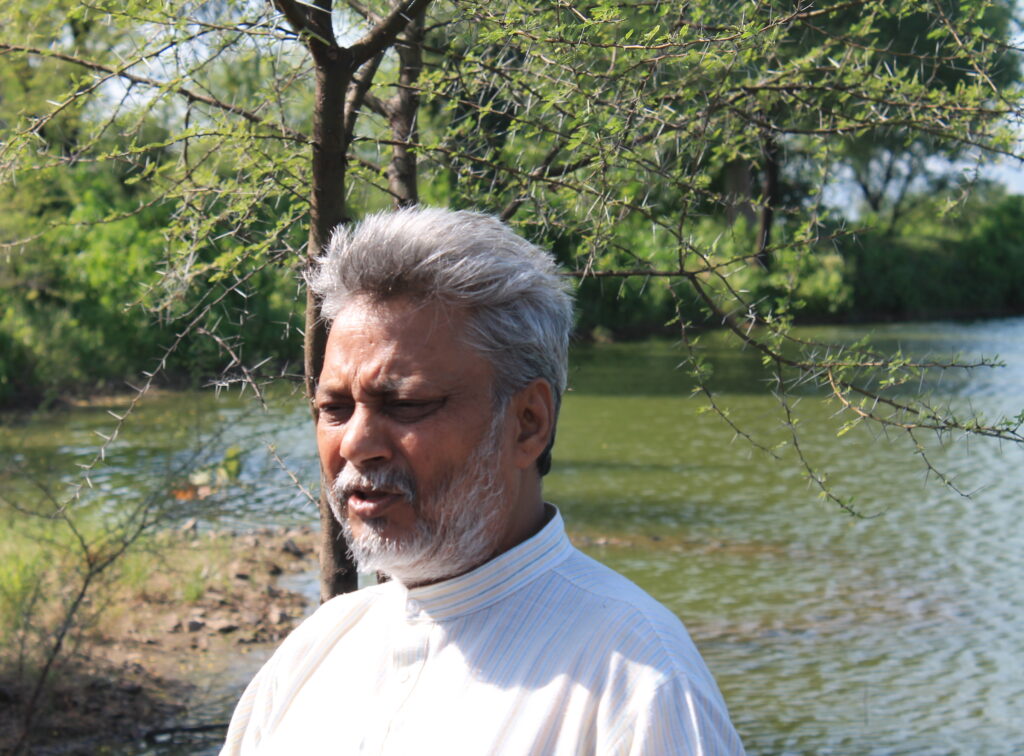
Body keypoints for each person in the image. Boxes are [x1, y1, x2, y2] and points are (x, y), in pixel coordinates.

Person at [220, 207, 744, 755]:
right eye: (334, 407)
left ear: (528, 423)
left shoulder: (635, 681)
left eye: (407, 403)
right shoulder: (316, 653)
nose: (355, 443)